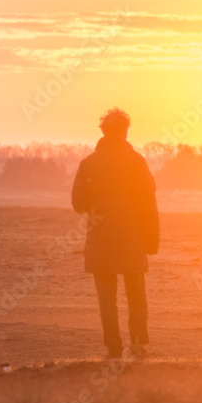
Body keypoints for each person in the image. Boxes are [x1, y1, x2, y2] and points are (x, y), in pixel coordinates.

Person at [72, 108, 160, 359]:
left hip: (101, 240)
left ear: (103, 131)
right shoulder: (137, 162)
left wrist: (98, 206)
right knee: (137, 297)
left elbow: (78, 202)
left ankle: (113, 348)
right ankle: (139, 345)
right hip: (133, 238)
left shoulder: (88, 164)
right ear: (126, 130)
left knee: (106, 300)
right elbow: (149, 203)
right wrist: (151, 241)